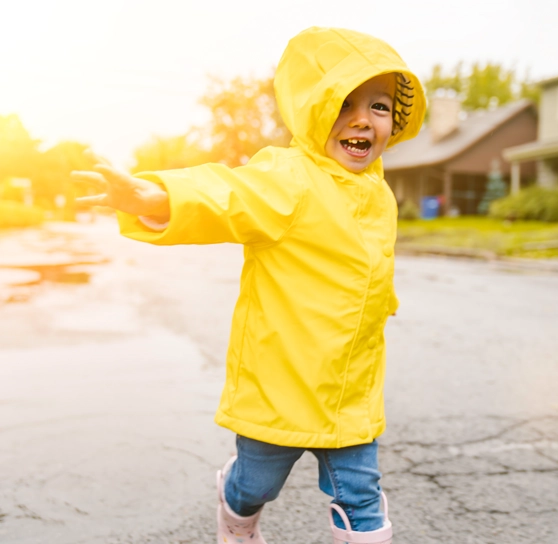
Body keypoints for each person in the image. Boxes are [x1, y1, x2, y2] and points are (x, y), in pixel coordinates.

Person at [73, 27, 425, 544]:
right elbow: (226, 194)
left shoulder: (378, 193)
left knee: (362, 497)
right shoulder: (290, 179)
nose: (360, 119)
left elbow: (371, 266)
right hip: (278, 384)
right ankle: (234, 509)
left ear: (393, 120)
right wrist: (154, 196)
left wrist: (383, 302)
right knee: (256, 483)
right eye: (343, 102)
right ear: (312, 108)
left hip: (351, 390)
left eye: (377, 106)